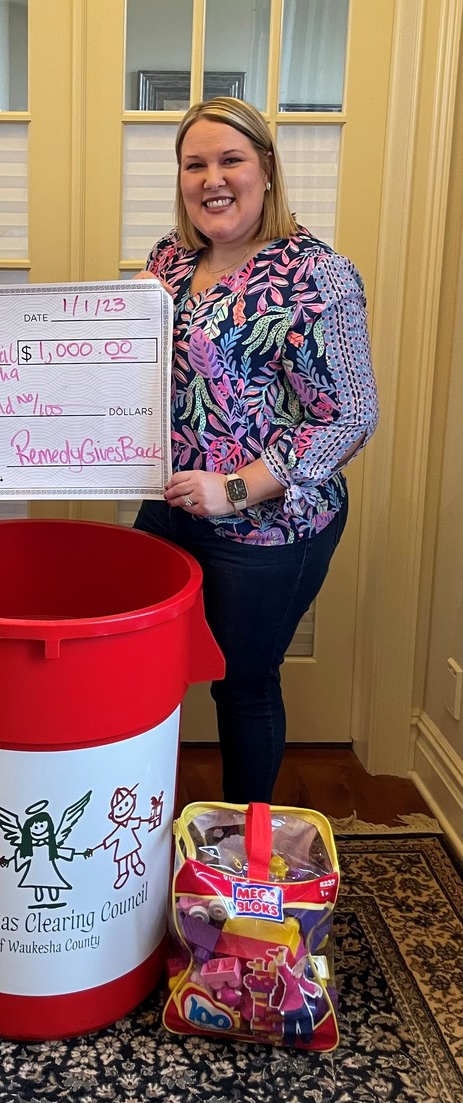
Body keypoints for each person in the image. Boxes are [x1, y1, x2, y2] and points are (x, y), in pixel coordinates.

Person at [133, 97, 378, 805]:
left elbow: (354, 415)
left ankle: (243, 850)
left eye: (231, 159)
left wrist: (235, 488)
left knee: (242, 681)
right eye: (195, 163)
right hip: (171, 505)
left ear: (266, 169)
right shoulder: (169, 262)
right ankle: (140, 830)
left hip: (269, 524)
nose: (213, 178)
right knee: (140, 662)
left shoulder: (318, 274)